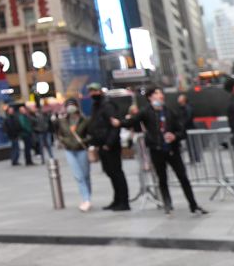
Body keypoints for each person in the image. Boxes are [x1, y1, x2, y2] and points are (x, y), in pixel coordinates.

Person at [126, 86, 207, 216]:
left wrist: (175, 136)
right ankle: (167, 204)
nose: (160, 95)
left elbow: (182, 131)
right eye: (157, 93)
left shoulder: (170, 111)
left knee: (183, 177)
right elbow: (131, 122)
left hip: (172, 150)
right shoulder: (145, 112)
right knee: (162, 178)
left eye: (161, 93)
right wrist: (118, 122)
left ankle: (193, 204)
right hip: (156, 150)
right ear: (150, 97)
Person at [86, 83, 129, 211]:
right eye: (91, 91)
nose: (92, 94)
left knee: (116, 173)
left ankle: (123, 201)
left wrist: (108, 144)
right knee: (111, 173)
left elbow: (114, 126)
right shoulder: (97, 105)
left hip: (110, 145)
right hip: (102, 144)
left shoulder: (107, 105)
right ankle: (117, 199)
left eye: (94, 91)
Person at [54, 97, 93, 212]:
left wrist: (83, 141)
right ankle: (86, 199)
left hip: (82, 150)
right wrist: (65, 142)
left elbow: (91, 135)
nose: (70, 107)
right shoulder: (62, 121)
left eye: (72, 104)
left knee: (85, 175)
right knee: (78, 176)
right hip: (69, 150)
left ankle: (87, 197)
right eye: (68, 105)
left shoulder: (84, 120)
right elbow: (59, 135)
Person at [176, 93, 201, 164]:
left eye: (180, 98)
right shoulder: (181, 108)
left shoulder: (188, 107)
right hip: (186, 129)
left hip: (190, 128)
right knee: (190, 145)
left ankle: (196, 159)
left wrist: (181, 124)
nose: (178, 99)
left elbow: (187, 118)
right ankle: (193, 159)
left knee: (192, 144)